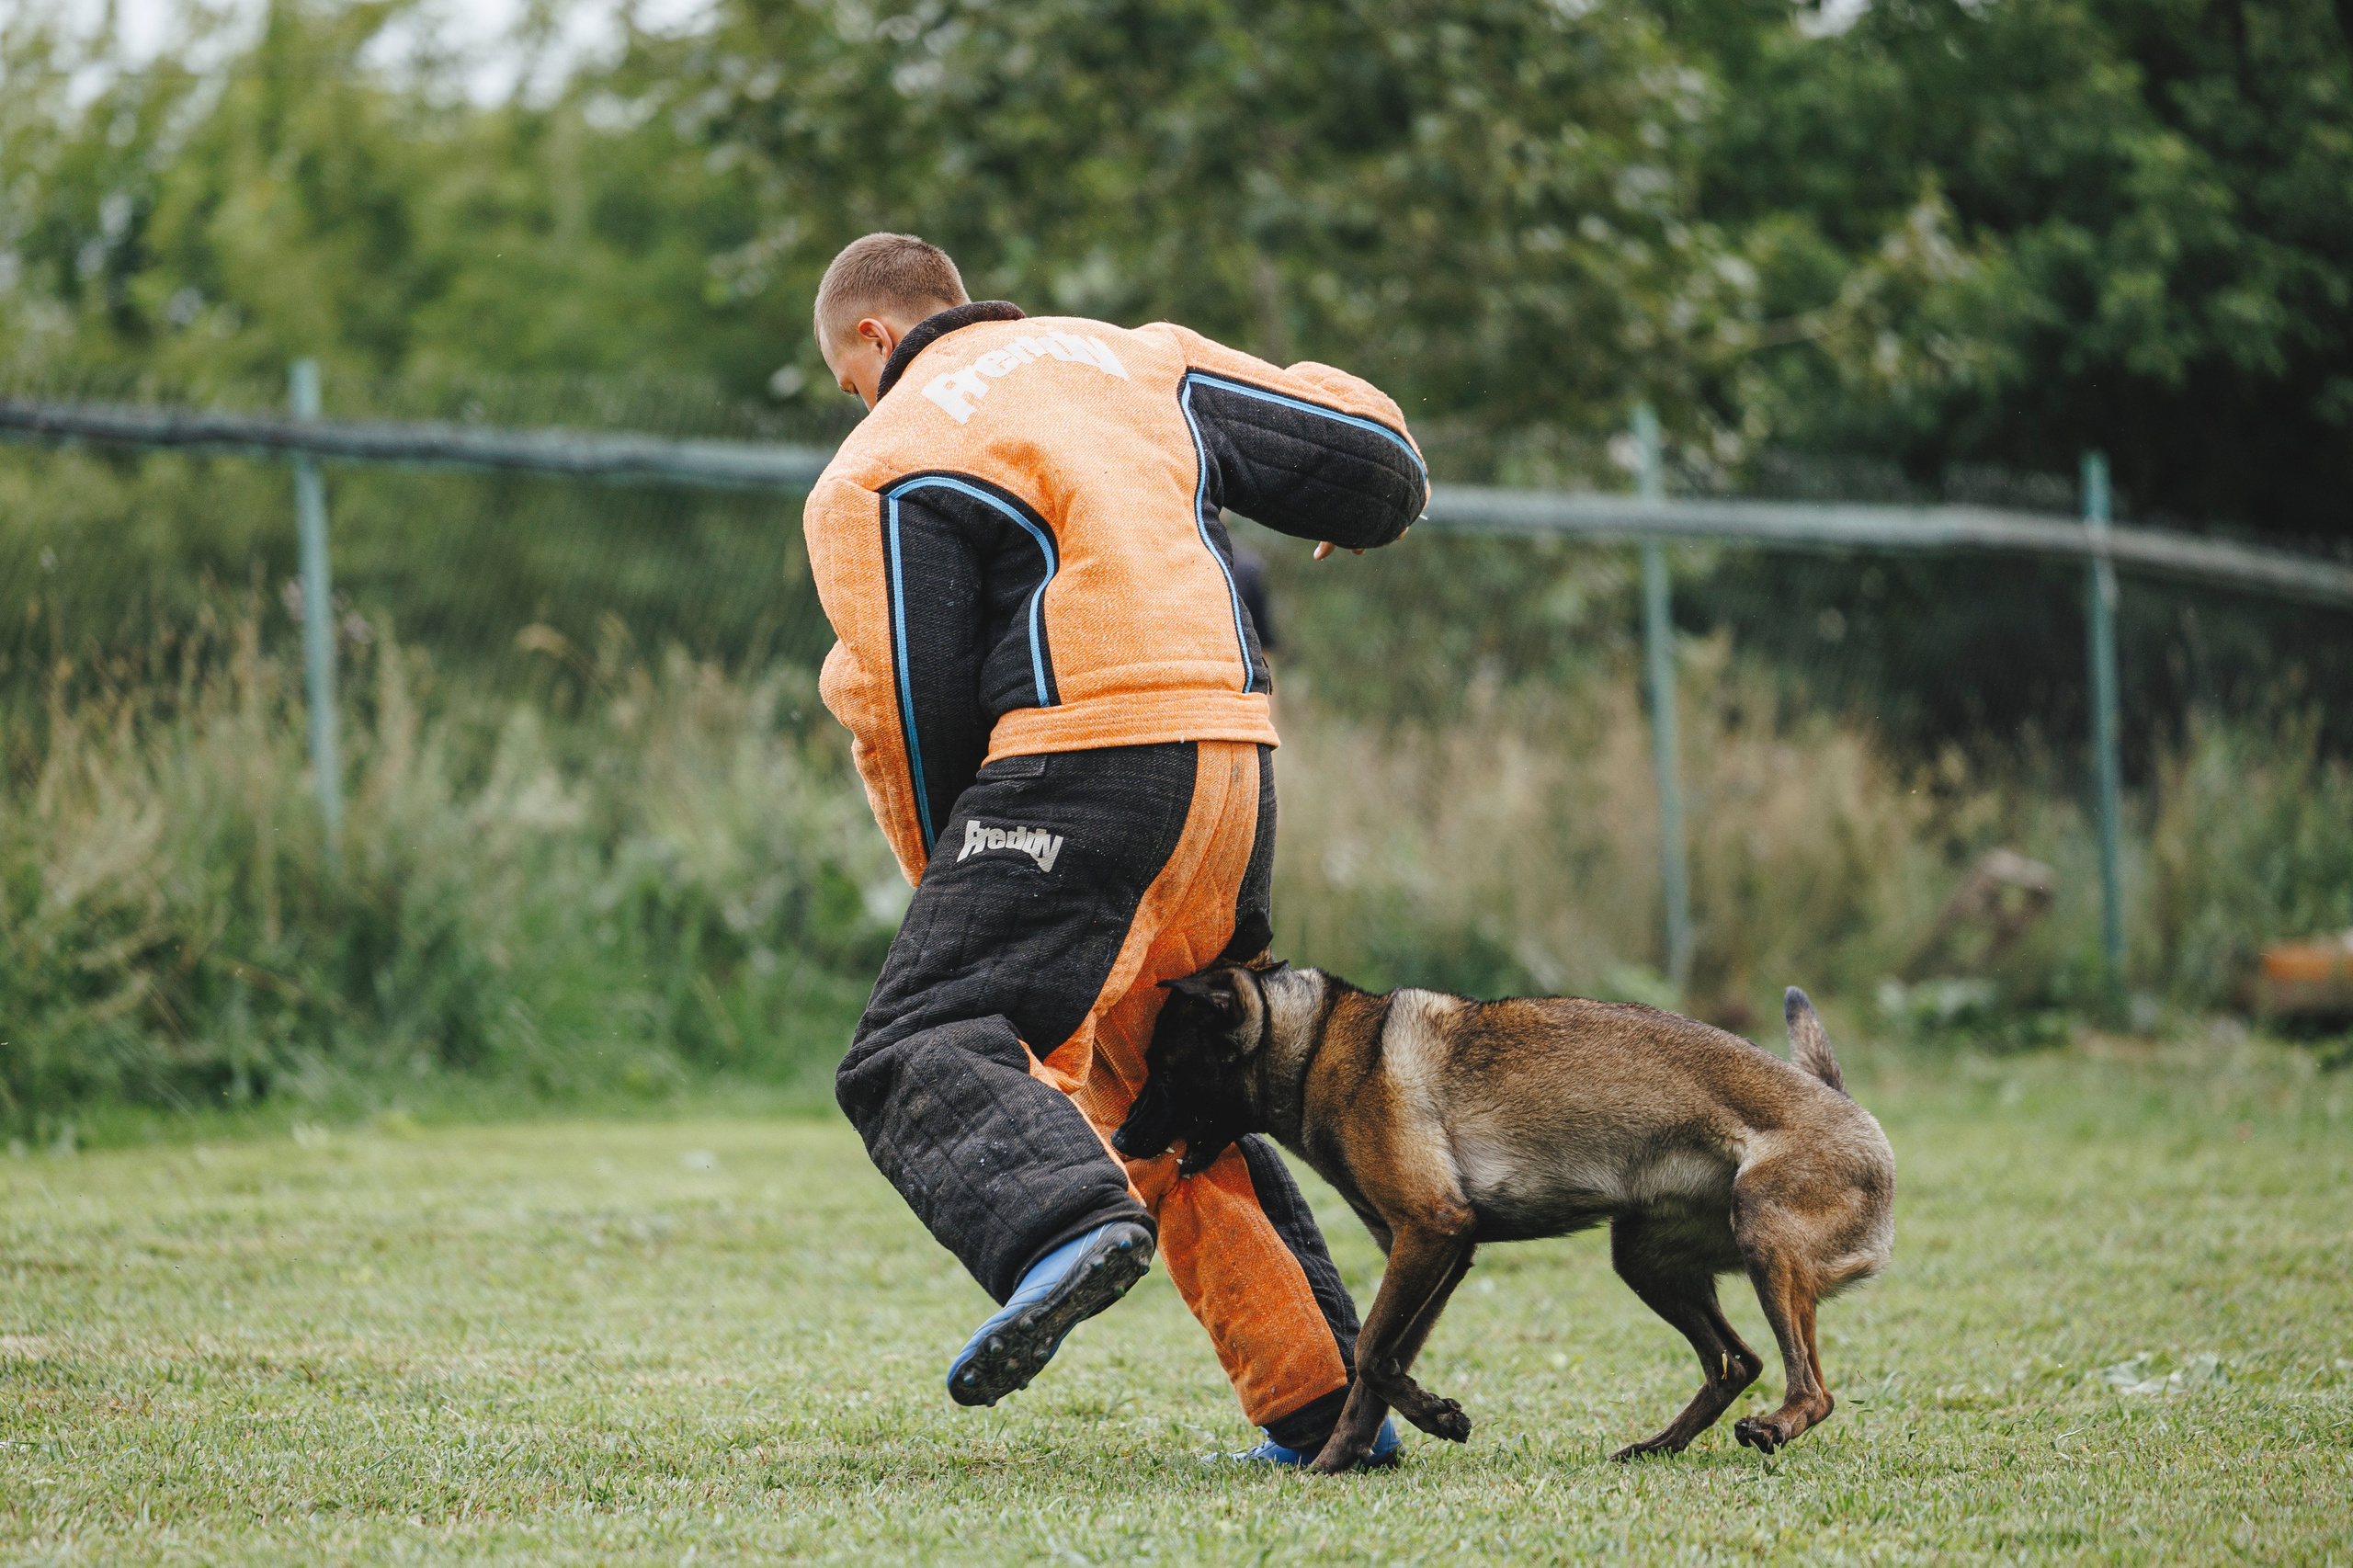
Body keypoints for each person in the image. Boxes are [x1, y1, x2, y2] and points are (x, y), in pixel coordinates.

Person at [802, 233, 1425, 1465]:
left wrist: (954, 881)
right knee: (1167, 1080)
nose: (855, 398)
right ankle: (1328, 1412)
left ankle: (1054, 1223)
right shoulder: (1133, 358)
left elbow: (905, 705)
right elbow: (1372, 457)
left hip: (1084, 762)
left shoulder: (881, 457)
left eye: (844, 375)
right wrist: (1373, 509)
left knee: (921, 1041)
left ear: (873, 340)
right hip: (1235, 764)